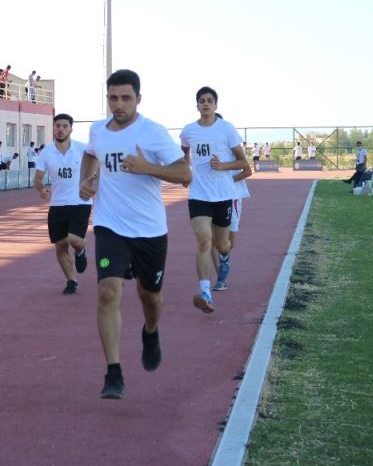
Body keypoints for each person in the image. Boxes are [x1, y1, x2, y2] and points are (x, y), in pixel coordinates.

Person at [79, 69, 191, 399]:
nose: (119, 104)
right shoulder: (98, 131)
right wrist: (86, 181)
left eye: (126, 98)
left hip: (149, 230)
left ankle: (151, 331)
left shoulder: (153, 132)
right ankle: (113, 372)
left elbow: (185, 174)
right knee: (108, 292)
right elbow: (90, 154)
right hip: (109, 226)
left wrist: (148, 168)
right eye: (113, 98)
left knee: (149, 296)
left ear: (138, 99)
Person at [179, 87, 247, 313]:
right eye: (202, 101)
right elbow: (184, 151)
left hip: (223, 195)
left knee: (222, 245)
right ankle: (205, 291)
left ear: (216, 105)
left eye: (209, 100)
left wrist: (223, 165)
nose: (206, 104)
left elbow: (243, 163)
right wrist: (185, 170)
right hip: (198, 195)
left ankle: (225, 256)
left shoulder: (226, 129)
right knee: (203, 241)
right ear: (197, 105)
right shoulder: (189, 130)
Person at [34, 114, 92, 295]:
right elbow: (37, 178)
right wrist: (42, 189)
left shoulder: (83, 149)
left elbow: (97, 166)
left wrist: (92, 180)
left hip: (80, 202)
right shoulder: (46, 152)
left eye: (65, 126)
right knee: (60, 245)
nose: (60, 129)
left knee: (74, 239)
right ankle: (71, 281)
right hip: (57, 204)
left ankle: (81, 250)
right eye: (57, 126)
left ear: (71, 129)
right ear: (53, 128)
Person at [213, 142, 252, 291]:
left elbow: (248, 171)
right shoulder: (205, 149)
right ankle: (220, 278)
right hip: (212, 197)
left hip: (233, 197)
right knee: (210, 239)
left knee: (228, 243)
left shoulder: (234, 149)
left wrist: (228, 181)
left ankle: (224, 259)